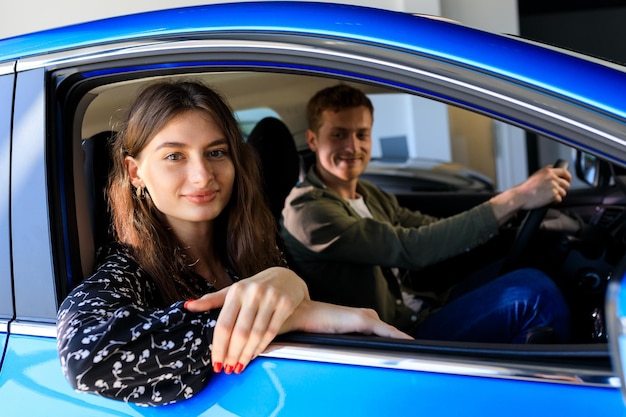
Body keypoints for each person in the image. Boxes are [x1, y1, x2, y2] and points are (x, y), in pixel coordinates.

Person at [56, 81, 410, 406]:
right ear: (135, 173)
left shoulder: (251, 246)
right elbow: (86, 359)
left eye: (215, 153)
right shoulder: (128, 269)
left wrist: (291, 291)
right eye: (174, 156)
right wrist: (276, 318)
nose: (202, 175)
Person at [280, 84, 572, 344]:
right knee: (535, 295)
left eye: (361, 134)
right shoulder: (308, 211)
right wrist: (516, 197)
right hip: (394, 340)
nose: (352, 147)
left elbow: (431, 228)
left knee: (520, 267)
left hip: (420, 310)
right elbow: (413, 247)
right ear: (313, 140)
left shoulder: (368, 193)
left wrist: (514, 213)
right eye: (339, 134)